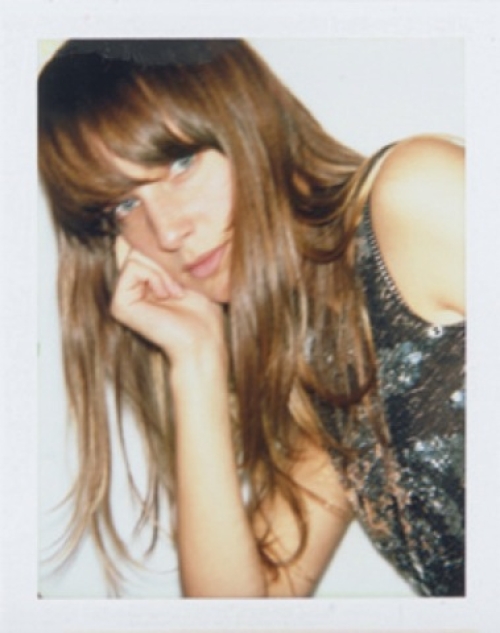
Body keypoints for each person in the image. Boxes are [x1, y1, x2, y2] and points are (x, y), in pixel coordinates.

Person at [37, 38, 465, 598]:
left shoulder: (413, 194)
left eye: (181, 164)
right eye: (124, 205)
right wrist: (196, 358)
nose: (168, 232)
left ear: (248, 122)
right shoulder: (330, 376)